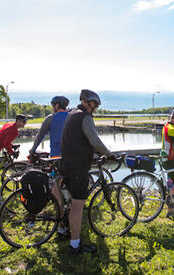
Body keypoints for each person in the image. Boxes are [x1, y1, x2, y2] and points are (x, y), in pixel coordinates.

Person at [60, 89, 113, 254]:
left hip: (65, 163)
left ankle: (63, 231)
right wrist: (109, 154)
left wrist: (95, 151)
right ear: (86, 102)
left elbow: (79, 139)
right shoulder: (85, 117)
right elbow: (94, 139)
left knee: (68, 201)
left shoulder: (71, 114)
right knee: (78, 204)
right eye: (94, 104)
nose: (95, 108)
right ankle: (75, 245)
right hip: (78, 166)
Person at [29, 96, 70, 237]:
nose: (52, 107)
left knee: (57, 188)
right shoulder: (72, 117)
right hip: (71, 158)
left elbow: (40, 136)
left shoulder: (50, 118)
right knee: (67, 187)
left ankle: (61, 224)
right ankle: (68, 217)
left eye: (53, 105)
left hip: (55, 158)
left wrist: (33, 150)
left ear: (57, 105)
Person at [0, 114, 28, 195]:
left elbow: (5, 138)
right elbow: (5, 143)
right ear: (18, 121)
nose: (25, 123)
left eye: (26, 122)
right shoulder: (14, 131)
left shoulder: (9, 124)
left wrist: (11, 146)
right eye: (23, 121)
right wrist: (12, 152)